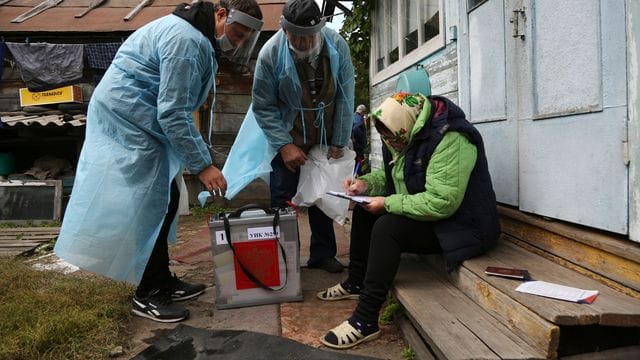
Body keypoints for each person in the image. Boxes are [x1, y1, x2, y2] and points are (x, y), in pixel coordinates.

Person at [54, 0, 264, 323]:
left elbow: (175, 108)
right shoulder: (188, 41)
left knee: (169, 197)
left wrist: (204, 156)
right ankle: (148, 292)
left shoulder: (197, 37)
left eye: (245, 38)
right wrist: (203, 165)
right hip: (129, 117)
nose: (237, 42)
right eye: (237, 33)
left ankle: (161, 279)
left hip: (142, 116)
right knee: (153, 203)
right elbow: (172, 112)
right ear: (221, 15)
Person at [317, 92, 500, 349]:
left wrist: (388, 203)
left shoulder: (451, 138)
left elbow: (442, 202)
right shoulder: (403, 131)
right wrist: (365, 184)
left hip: (462, 225)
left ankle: (365, 319)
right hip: (433, 215)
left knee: (386, 226)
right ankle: (357, 281)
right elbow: (393, 177)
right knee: (364, 209)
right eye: (385, 137)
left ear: (409, 124)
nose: (389, 142)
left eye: (392, 137)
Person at [252, 0, 355, 273]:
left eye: (310, 36)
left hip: (325, 133)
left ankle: (322, 254)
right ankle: (284, 260)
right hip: (289, 133)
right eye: (296, 36)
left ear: (320, 29)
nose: (304, 42)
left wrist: (339, 141)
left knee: (322, 194)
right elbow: (263, 106)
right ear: (284, 30)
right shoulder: (269, 55)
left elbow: (346, 96)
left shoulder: (337, 45)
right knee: (283, 198)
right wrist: (284, 145)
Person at [352, 104, 367, 171]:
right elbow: (356, 129)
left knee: (353, 164)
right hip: (358, 147)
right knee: (358, 164)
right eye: (364, 112)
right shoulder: (359, 119)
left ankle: (353, 178)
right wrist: (361, 143)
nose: (363, 114)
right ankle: (356, 178)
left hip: (353, 146)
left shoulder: (353, 116)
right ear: (362, 112)